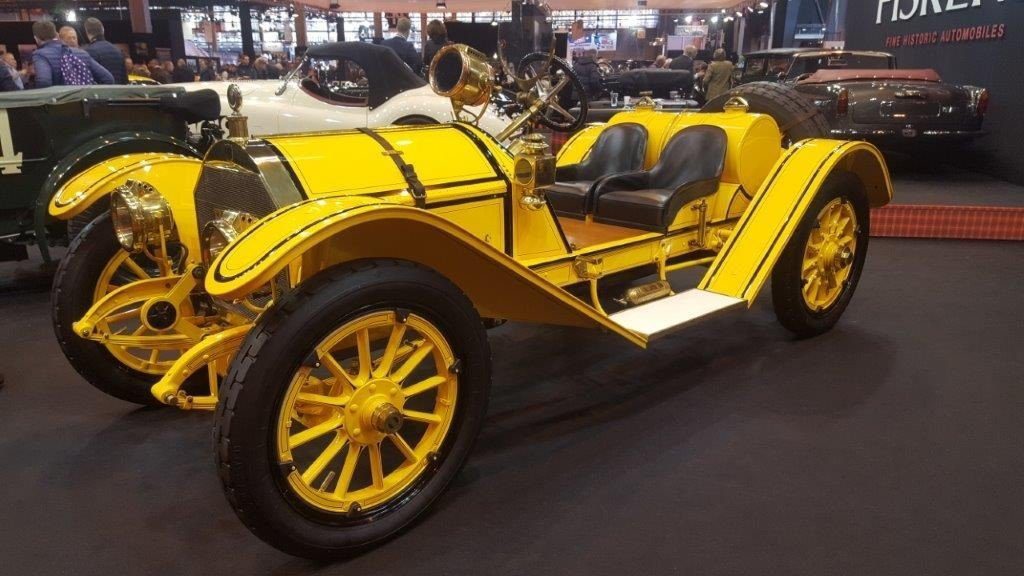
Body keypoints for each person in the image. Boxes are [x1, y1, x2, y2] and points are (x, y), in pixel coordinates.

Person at [31, 20, 114, 88]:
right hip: (87, 101)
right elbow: (108, 78)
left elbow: (44, 81)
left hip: (62, 102)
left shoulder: (40, 55)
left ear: (36, 38)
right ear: (56, 34)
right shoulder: (82, 53)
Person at [83, 18, 127, 84]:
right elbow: (124, 80)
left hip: (101, 90)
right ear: (103, 30)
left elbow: (90, 80)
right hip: (118, 90)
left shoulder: (90, 51)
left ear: (87, 32)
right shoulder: (117, 51)